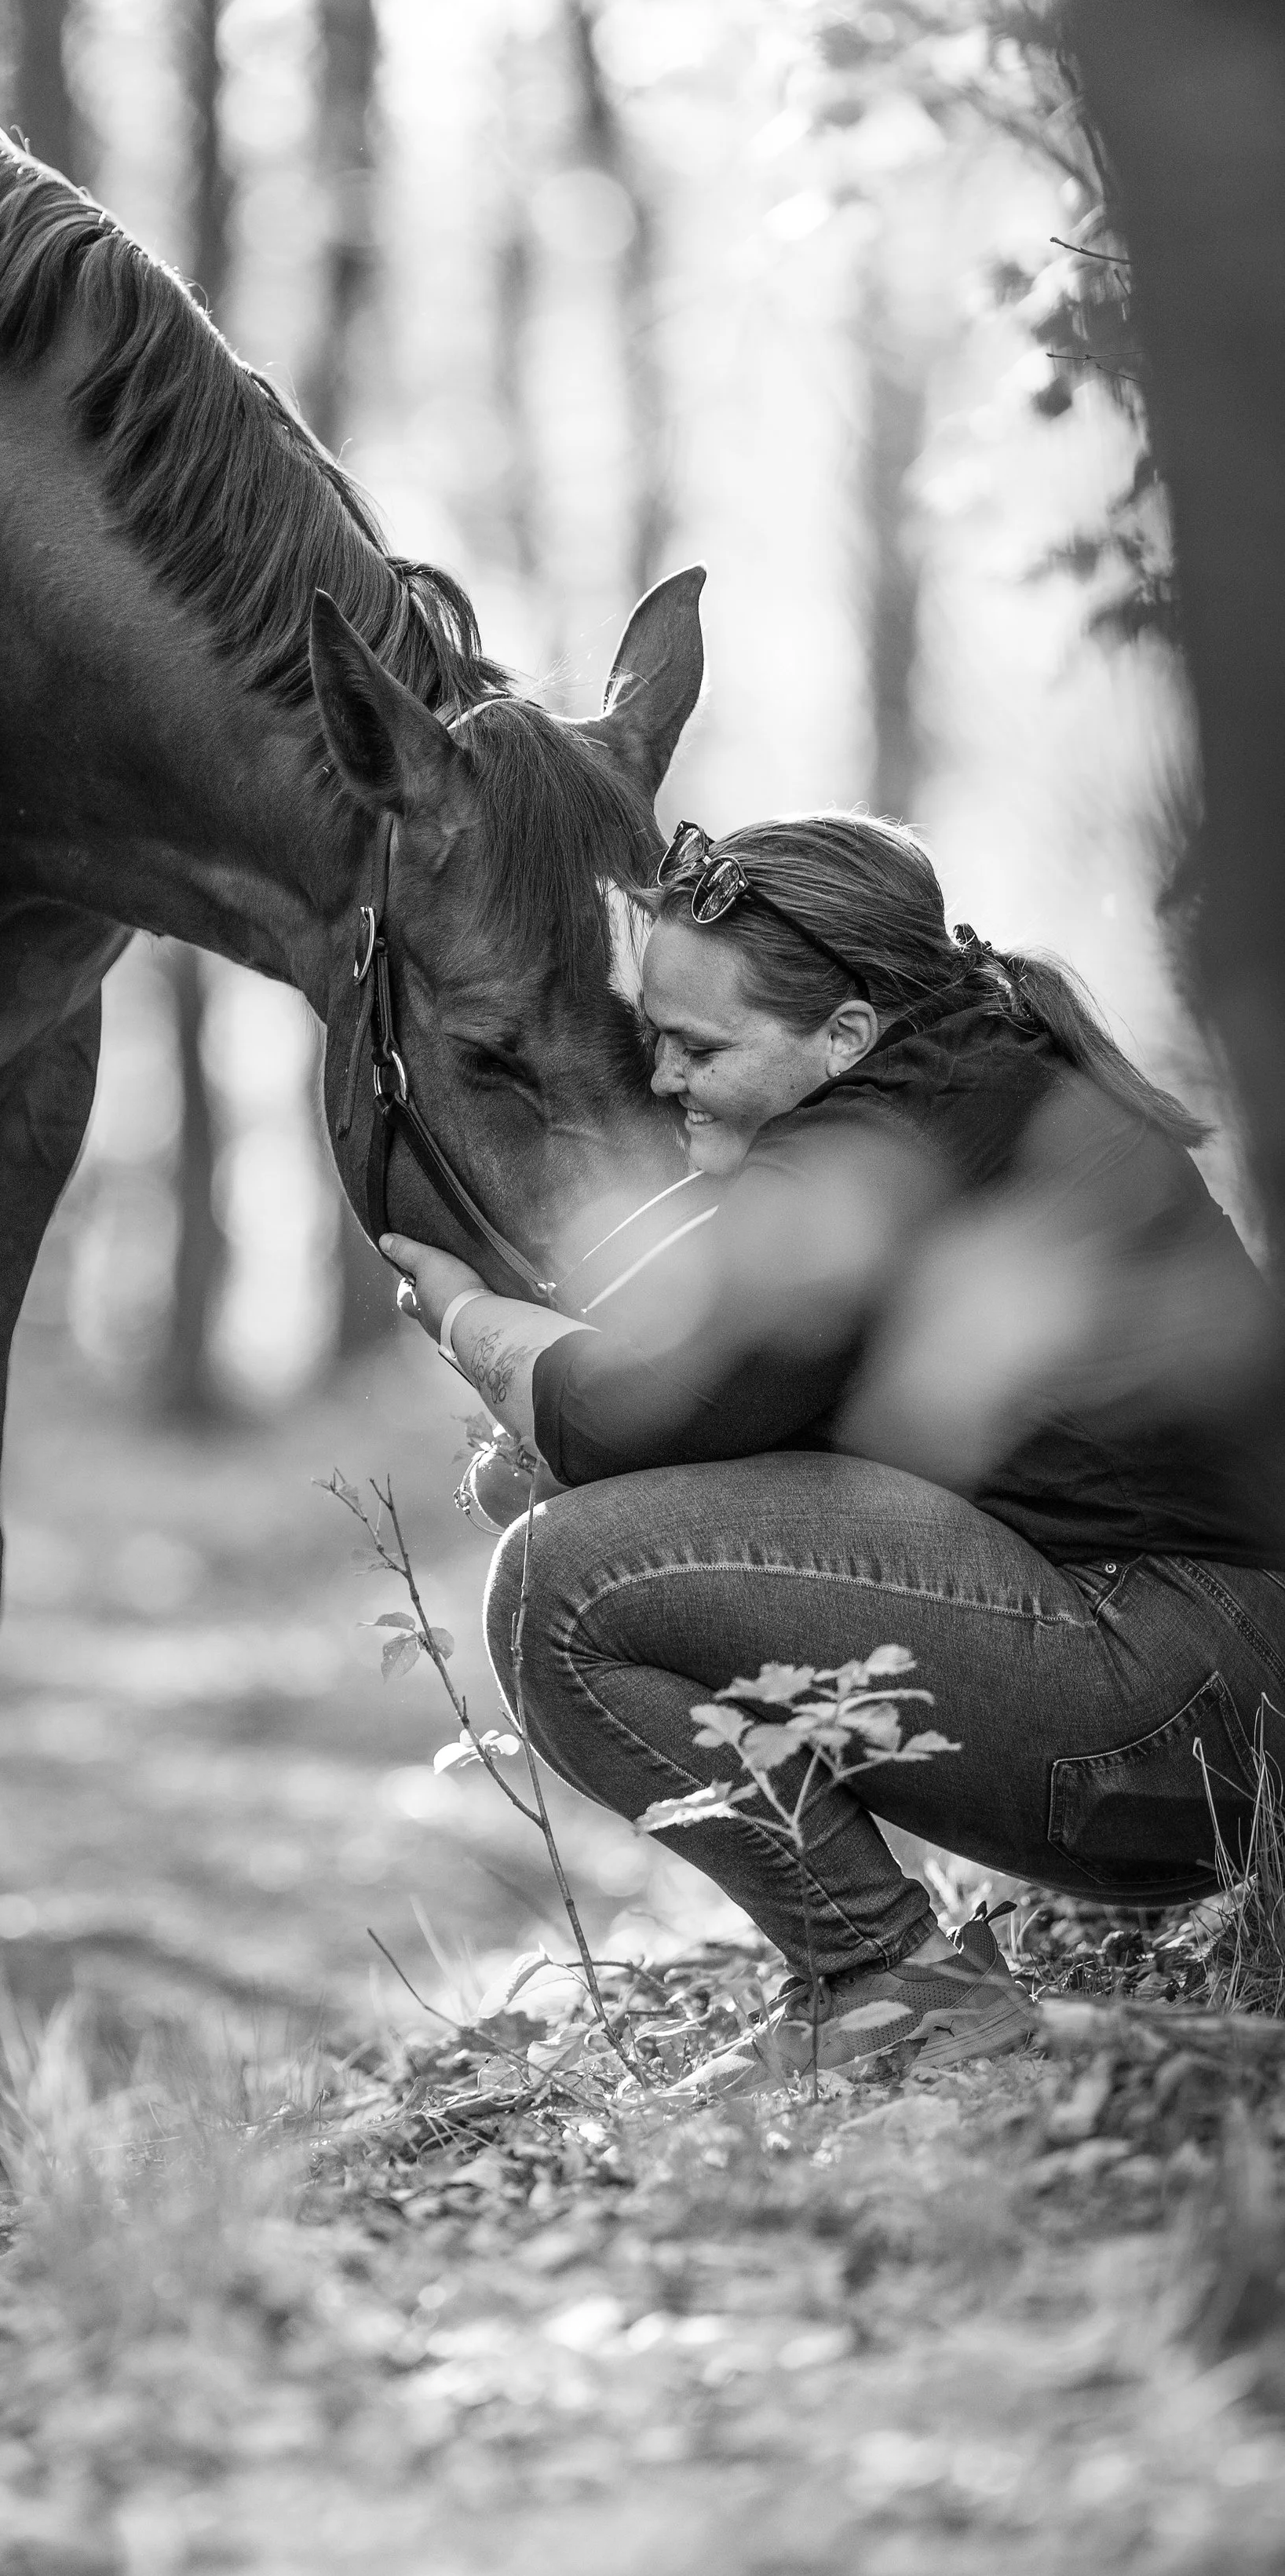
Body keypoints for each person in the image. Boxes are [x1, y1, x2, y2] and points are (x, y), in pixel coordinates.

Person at [380, 813, 1285, 2091]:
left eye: (700, 1047)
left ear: (847, 1033)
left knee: (557, 1587)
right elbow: (728, 1423)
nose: (662, 1080)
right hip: (1203, 1696)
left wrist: (471, 1321)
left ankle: (889, 1982)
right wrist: (558, 1414)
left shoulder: (890, 1133)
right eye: (655, 1038)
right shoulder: (957, 1077)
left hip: (1178, 1692)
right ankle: (883, 1979)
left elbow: (638, 1414)